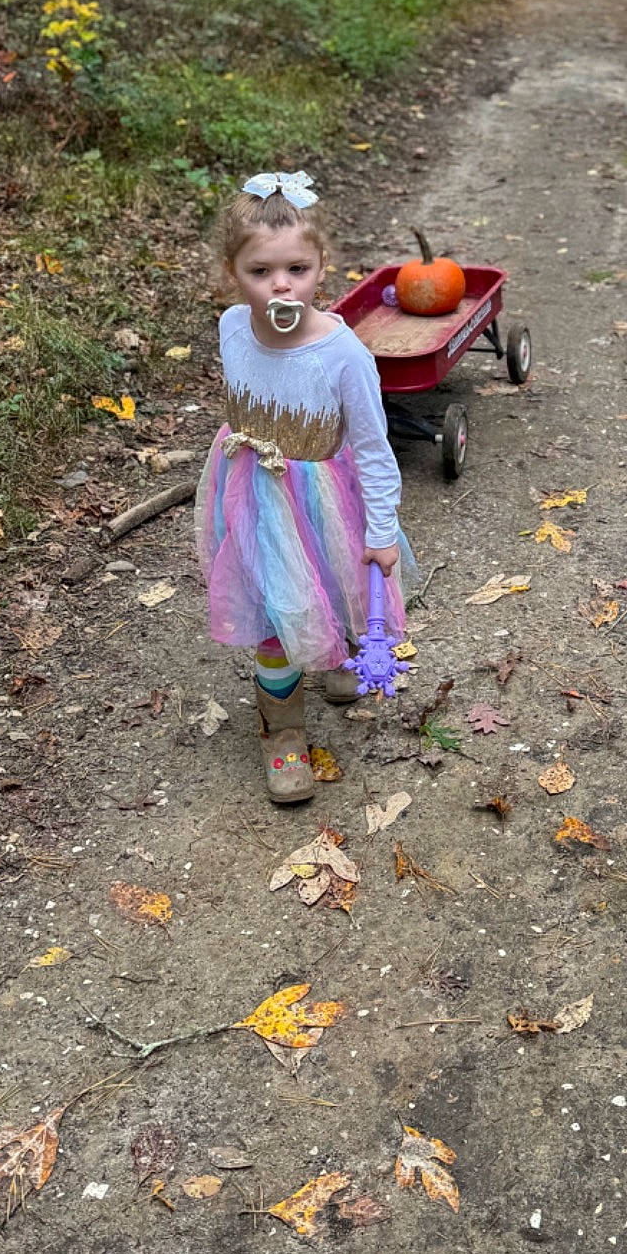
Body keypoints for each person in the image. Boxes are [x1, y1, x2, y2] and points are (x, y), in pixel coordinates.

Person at [197, 169, 413, 803]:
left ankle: (336, 651)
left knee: (333, 580)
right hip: (251, 493)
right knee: (274, 612)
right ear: (232, 272)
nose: (281, 285)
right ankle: (283, 733)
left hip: (322, 496)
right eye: (260, 271)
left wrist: (381, 532)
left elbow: (373, 450)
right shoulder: (232, 328)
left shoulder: (343, 355)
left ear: (323, 266)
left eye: (297, 268)